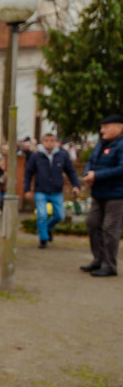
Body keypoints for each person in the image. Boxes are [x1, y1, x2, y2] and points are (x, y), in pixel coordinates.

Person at [80, 114, 123, 277]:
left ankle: (110, 265)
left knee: (111, 229)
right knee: (92, 223)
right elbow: (91, 160)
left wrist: (96, 175)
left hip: (117, 195)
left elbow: (121, 168)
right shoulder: (102, 143)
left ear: (118, 127)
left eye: (105, 127)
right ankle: (98, 259)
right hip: (99, 193)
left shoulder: (121, 145)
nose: (101, 130)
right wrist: (87, 173)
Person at [24, 133, 81, 248]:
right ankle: (43, 239)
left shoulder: (62, 155)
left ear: (55, 142)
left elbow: (70, 171)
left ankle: (48, 229)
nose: (49, 143)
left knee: (60, 216)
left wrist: (76, 185)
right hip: (41, 190)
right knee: (42, 214)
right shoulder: (36, 156)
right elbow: (28, 173)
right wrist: (27, 189)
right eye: (46, 140)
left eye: (52, 140)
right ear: (42, 142)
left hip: (56, 191)